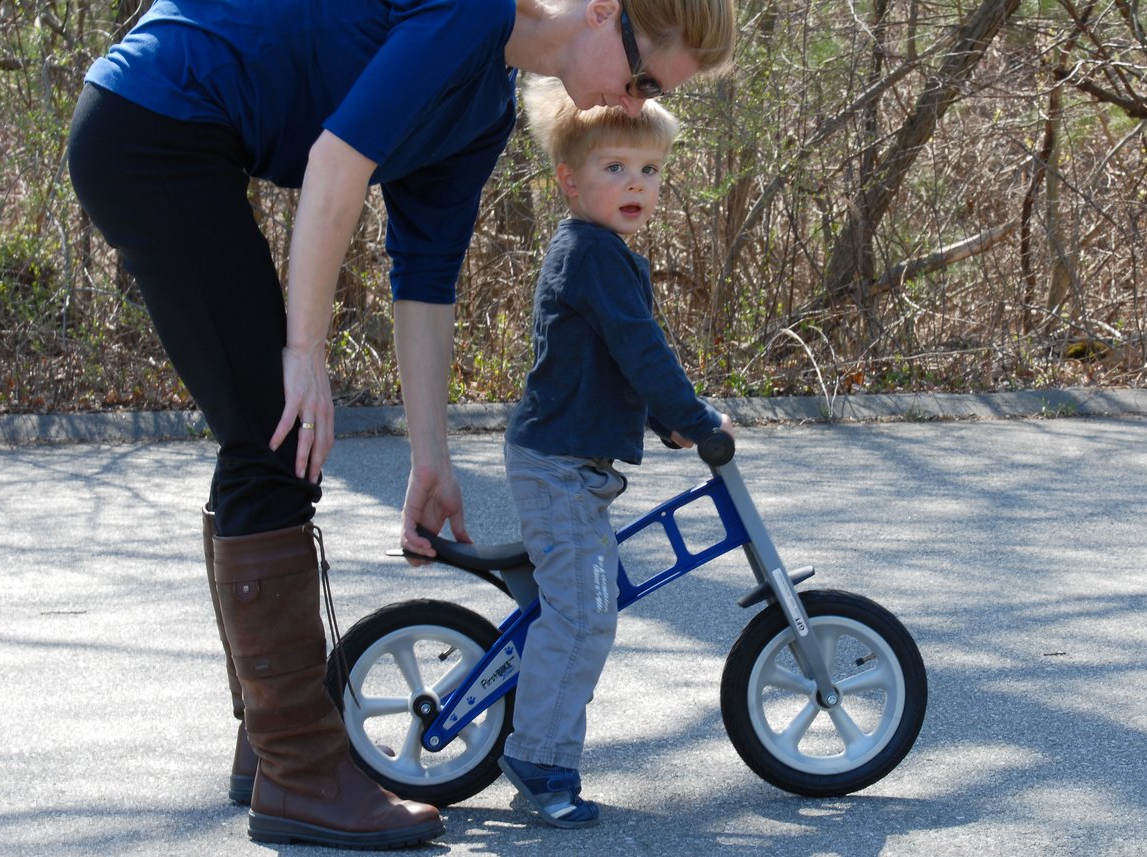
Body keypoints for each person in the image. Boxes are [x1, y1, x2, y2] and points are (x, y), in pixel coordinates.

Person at [65, 0, 737, 850]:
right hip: (152, 122)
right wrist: (302, 349)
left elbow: (426, 274)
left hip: (182, 135)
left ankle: (272, 747)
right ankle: (299, 772)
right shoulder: (472, 12)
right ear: (602, 9)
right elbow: (336, 163)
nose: (637, 106)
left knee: (276, 442)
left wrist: (431, 458)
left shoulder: (484, 104)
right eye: (642, 77)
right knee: (277, 437)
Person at [497, 75, 735, 829]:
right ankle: (539, 757)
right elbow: (641, 348)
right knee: (585, 611)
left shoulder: (601, 252)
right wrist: (691, 416)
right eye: (615, 168)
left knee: (583, 606)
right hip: (559, 464)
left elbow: (614, 358)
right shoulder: (595, 254)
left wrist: (669, 421)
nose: (637, 183)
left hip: (570, 459)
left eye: (650, 170)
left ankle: (542, 739)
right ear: (570, 180)